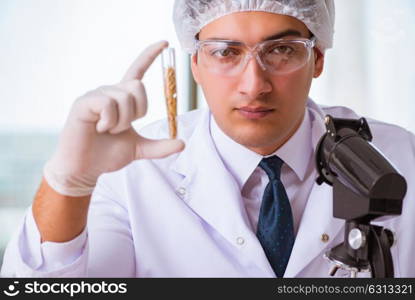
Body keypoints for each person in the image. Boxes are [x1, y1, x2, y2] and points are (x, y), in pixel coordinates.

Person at [1, 0, 414, 278]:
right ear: (195, 62)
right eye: (225, 52)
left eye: (282, 50)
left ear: (318, 59)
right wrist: (68, 183)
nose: (254, 86)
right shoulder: (130, 173)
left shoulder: (402, 159)